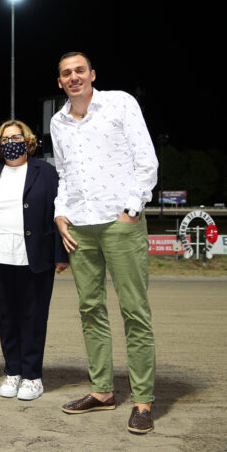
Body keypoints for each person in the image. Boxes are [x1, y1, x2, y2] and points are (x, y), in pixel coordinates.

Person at [51, 52, 158, 434]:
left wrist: (131, 209)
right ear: (60, 82)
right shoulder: (58, 121)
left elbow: (147, 161)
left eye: (80, 70)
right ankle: (102, 391)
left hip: (119, 223)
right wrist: (60, 214)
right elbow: (63, 173)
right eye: (66, 74)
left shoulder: (121, 104)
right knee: (90, 309)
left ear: (92, 74)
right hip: (79, 227)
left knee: (134, 311)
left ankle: (143, 400)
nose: (74, 77)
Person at [0, 120, 69, 401]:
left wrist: (59, 254)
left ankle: (32, 376)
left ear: (27, 140)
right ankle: (13, 371)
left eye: (16, 137)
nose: (10, 142)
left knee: (33, 317)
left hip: (35, 257)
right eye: (5, 139)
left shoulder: (46, 172)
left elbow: (58, 211)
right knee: (6, 318)